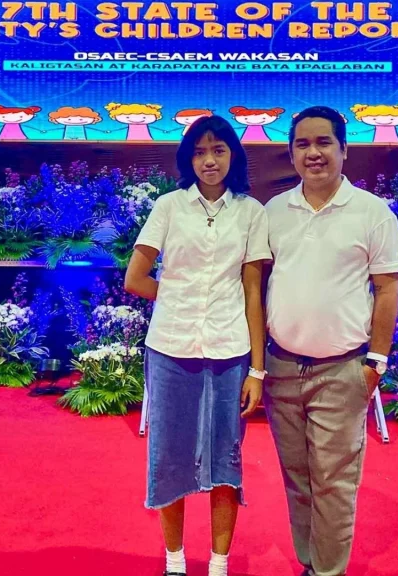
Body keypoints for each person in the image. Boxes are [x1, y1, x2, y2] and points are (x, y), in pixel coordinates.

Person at [125, 115, 271, 576]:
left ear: (233, 155)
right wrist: (180, 298)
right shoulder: (169, 207)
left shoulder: (252, 212)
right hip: (170, 346)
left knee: (226, 456)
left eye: (219, 150)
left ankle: (219, 564)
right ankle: (173, 562)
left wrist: (258, 371)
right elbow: (134, 278)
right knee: (168, 455)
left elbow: (253, 292)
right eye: (200, 151)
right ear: (189, 158)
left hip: (231, 351)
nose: (209, 160)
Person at [263, 106, 398, 576]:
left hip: (343, 369)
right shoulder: (274, 211)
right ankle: (309, 563)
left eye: (324, 143)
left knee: (334, 483)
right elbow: (256, 285)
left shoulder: (373, 212)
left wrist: (375, 363)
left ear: (344, 149)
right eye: (302, 144)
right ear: (291, 153)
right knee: (298, 480)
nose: (313, 153)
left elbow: (387, 289)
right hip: (281, 367)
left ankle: (328, 571)